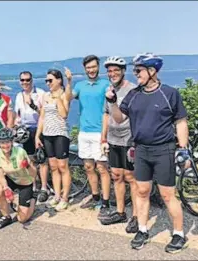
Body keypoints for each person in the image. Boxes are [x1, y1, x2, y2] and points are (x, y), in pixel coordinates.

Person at [106, 53, 190, 253]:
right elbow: (118, 119)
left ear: (152, 71)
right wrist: (112, 102)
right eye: (135, 71)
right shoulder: (134, 94)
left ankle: (179, 234)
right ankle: (142, 230)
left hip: (164, 149)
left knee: (168, 194)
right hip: (141, 150)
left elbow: (181, 122)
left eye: (139, 71)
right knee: (142, 191)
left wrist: (183, 149)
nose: (136, 75)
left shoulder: (169, 94)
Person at [66, 55, 112, 218]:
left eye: (93, 67)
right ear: (84, 69)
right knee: (88, 167)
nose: (91, 70)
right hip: (84, 132)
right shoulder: (80, 86)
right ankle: (95, 196)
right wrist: (69, 81)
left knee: (102, 168)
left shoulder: (106, 84)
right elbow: (68, 98)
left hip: (100, 132)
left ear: (98, 67)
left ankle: (106, 202)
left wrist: (105, 135)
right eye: (88, 68)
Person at [99, 56, 138, 232]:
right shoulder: (109, 90)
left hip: (129, 139)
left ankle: (137, 216)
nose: (112, 74)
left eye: (116, 70)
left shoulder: (133, 90)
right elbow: (106, 115)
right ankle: (121, 212)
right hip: (113, 139)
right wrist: (103, 138)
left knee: (131, 178)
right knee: (116, 175)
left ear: (123, 71)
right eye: (110, 71)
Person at [35, 69, 73, 211]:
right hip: (47, 134)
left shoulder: (64, 95)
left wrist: (57, 99)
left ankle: (65, 198)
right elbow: (42, 117)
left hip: (60, 134)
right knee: (53, 166)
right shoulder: (45, 96)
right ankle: (57, 196)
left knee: (63, 166)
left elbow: (64, 114)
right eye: (46, 80)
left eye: (50, 80)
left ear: (59, 80)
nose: (48, 83)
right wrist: (37, 135)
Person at [14, 71, 49, 203]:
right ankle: (34, 187)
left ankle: (44, 188)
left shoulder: (40, 93)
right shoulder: (18, 96)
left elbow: (44, 114)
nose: (25, 83)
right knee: (30, 160)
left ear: (32, 80)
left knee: (42, 159)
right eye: (22, 80)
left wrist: (33, 105)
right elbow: (18, 114)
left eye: (27, 80)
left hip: (39, 128)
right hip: (25, 130)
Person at [0, 128, 37, 229]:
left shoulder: (20, 152)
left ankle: (33, 199)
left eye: (7, 142)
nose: (5, 145)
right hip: (11, 179)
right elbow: (0, 174)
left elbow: (34, 174)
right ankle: (6, 216)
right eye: (2, 142)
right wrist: (5, 188)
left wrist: (28, 166)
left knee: (22, 219)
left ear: (12, 141)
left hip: (25, 182)